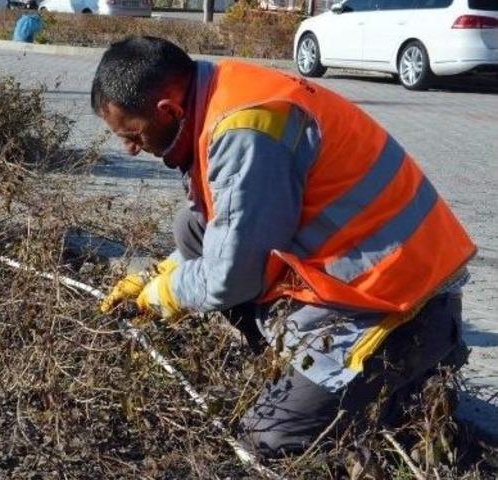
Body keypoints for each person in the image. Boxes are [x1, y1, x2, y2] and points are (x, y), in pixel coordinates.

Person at [93, 36, 475, 457]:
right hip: (357, 278)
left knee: (267, 438)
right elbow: (228, 232)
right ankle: (293, 372)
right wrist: (157, 273)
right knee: (192, 229)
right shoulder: (222, 90)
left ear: (168, 111)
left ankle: (397, 396)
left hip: (398, 306)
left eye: (132, 134)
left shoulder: (246, 132)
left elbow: (229, 277)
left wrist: (161, 294)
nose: (130, 148)